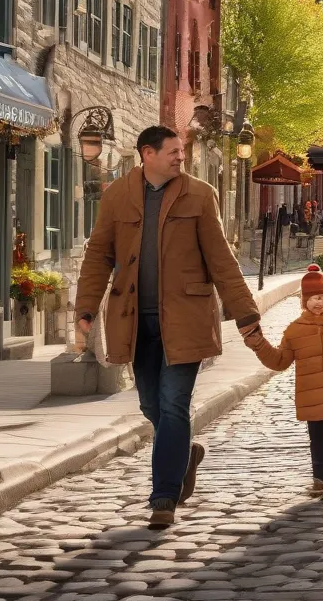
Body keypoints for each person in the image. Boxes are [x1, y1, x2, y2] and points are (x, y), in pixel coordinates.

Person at [74, 125, 261, 530]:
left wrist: (245, 312)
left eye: (181, 151)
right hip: (133, 321)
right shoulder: (116, 195)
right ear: (148, 154)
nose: (181, 157)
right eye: (173, 151)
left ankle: (163, 497)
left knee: (175, 404)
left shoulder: (199, 194)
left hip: (186, 317)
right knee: (150, 406)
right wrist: (85, 308)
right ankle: (184, 451)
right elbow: (97, 256)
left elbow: (221, 258)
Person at [242, 264, 323, 500]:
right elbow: (280, 361)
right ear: (303, 300)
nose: (318, 302)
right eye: (313, 298)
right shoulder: (294, 331)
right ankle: (319, 477)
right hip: (310, 395)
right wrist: (259, 344)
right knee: (315, 437)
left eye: (322, 297)